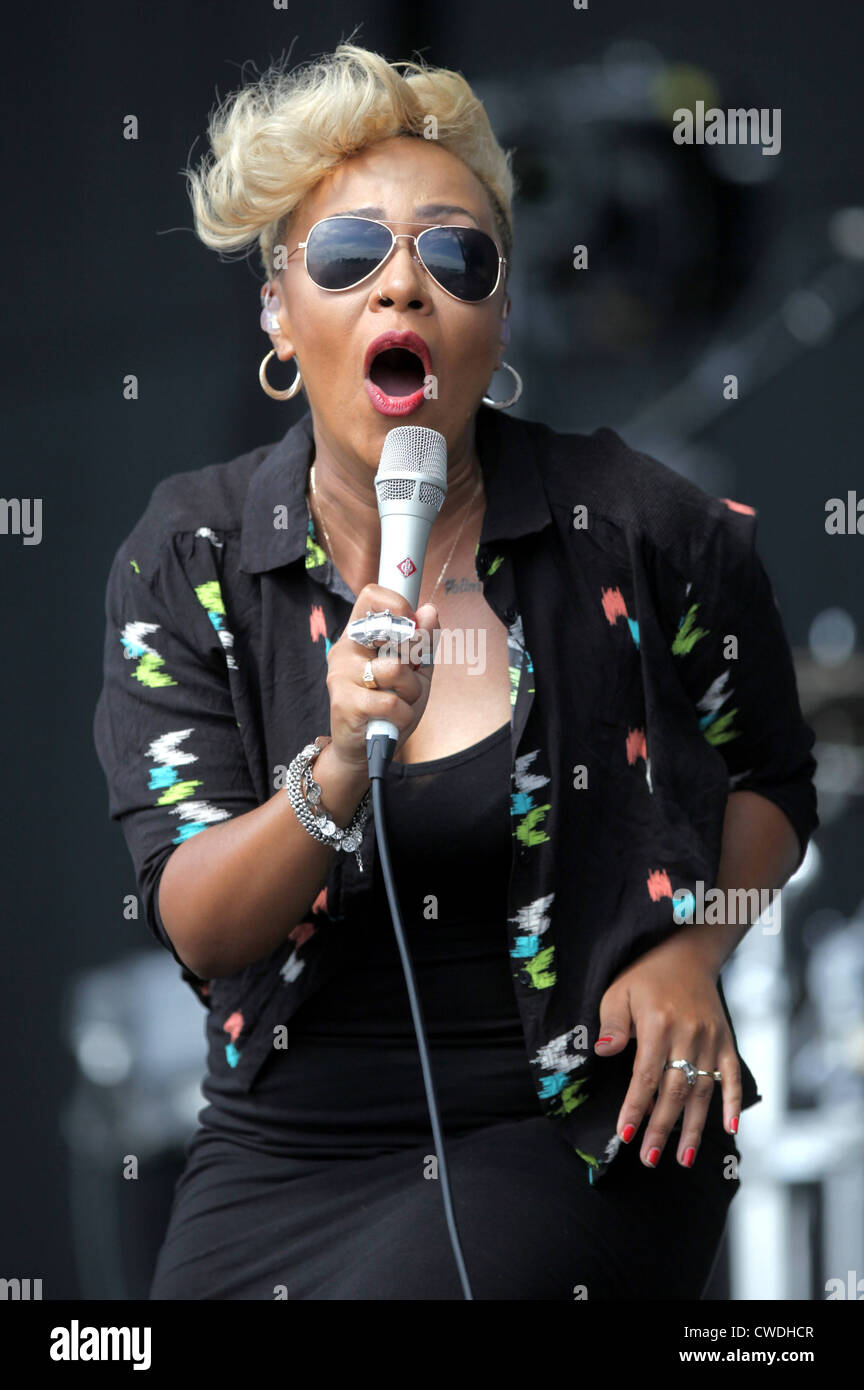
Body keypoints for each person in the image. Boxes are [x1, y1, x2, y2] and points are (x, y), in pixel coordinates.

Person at [93, 43, 819, 1301]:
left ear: (497, 310)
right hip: (280, 1149)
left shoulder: (647, 525)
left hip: (574, 1126)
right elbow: (199, 922)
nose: (405, 287)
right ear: (278, 307)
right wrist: (330, 774)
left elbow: (774, 782)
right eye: (348, 255)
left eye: (455, 254)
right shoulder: (193, 556)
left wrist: (691, 948)